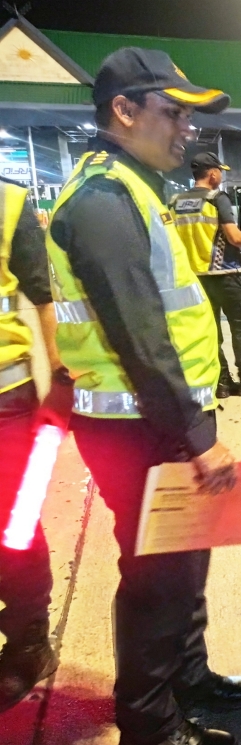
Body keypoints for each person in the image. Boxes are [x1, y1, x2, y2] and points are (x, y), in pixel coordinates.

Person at [46, 47, 241, 745]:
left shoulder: (135, 188)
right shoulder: (104, 200)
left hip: (155, 419)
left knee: (185, 557)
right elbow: (141, 336)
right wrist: (197, 435)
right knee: (157, 577)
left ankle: (187, 675)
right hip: (139, 426)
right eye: (174, 112)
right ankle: (150, 719)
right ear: (124, 110)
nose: (186, 129)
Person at [0, 177, 64, 713]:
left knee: (14, 526)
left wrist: (61, 382)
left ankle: (28, 642)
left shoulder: (9, 199)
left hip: (4, 396)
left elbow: (44, 297)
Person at [170, 152, 241, 399]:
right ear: (213, 173)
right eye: (220, 172)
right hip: (225, 274)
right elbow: (235, 237)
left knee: (210, 332)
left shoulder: (174, 202)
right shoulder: (217, 198)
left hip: (193, 280)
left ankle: (222, 382)